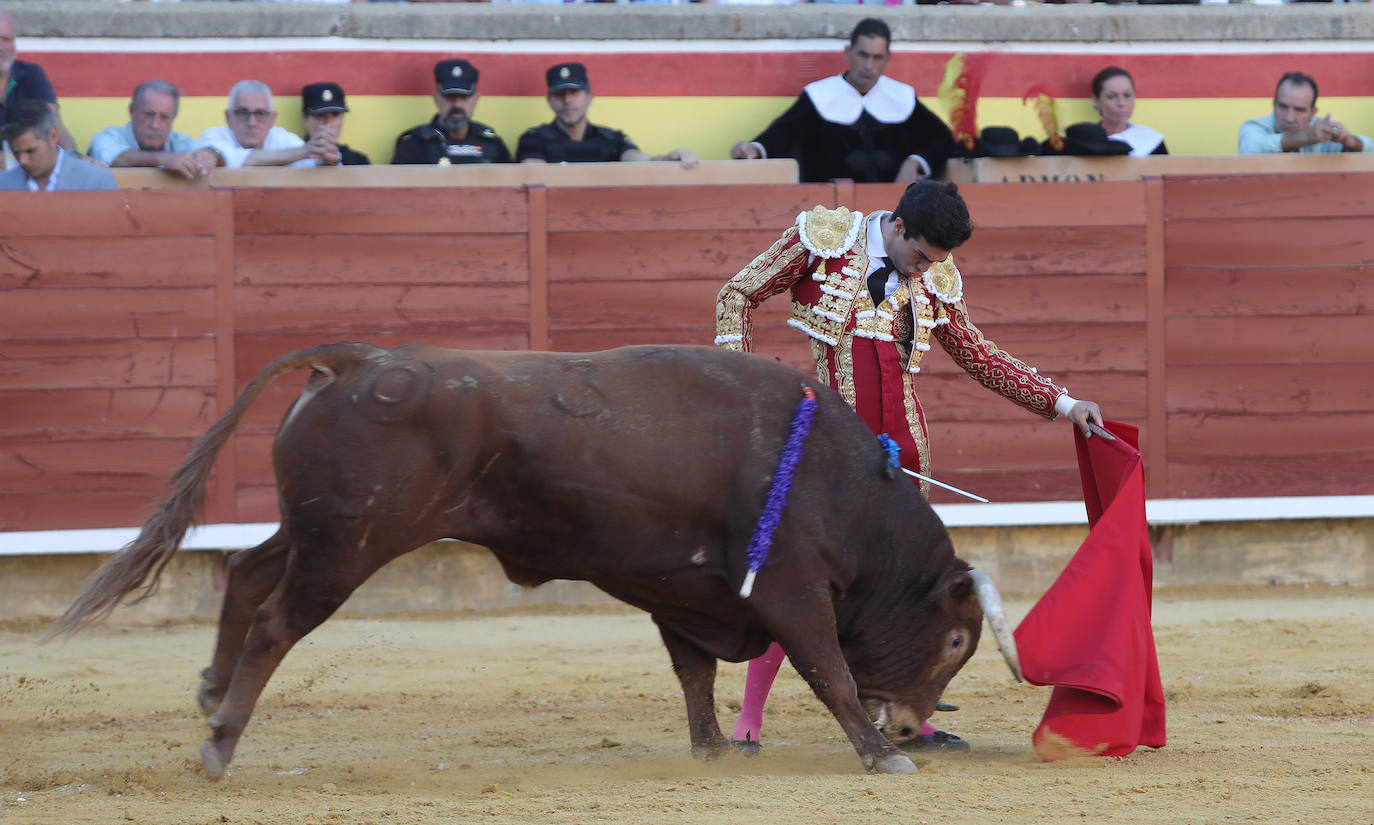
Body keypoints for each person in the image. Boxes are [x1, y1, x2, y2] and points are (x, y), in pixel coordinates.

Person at [715, 180, 1104, 753]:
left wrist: (1063, 403)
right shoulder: (823, 241)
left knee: (904, 592)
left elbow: (978, 355)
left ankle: (909, 720)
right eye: (921, 256)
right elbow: (736, 295)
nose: (925, 270)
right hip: (828, 450)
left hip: (905, 456)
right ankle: (749, 719)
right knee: (800, 580)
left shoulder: (936, 279)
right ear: (897, 227)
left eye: (937, 261)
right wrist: (747, 393)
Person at [729, 18, 952, 183]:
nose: (868, 66)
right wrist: (754, 150)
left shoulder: (902, 97)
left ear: (887, 60)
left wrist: (916, 161)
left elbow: (943, 139)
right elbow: (783, 134)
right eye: (863, 55)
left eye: (877, 58)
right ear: (848, 52)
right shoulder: (820, 95)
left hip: (893, 212)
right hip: (831, 215)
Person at [516, 62, 698, 167]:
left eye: (574, 93)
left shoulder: (611, 139)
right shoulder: (534, 139)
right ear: (549, 100)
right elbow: (534, 173)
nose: (567, 101)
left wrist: (670, 158)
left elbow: (642, 161)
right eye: (560, 94)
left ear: (590, 97)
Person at [86, 80, 222, 179]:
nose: (155, 125)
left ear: (173, 118)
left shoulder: (180, 142)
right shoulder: (108, 137)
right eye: (148, 114)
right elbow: (113, 157)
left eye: (164, 117)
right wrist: (163, 159)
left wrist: (211, 155)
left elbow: (215, 153)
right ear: (132, 111)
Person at [392, 59, 510, 165]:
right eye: (450, 97)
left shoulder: (492, 143)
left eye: (464, 97)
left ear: (476, 99)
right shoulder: (415, 144)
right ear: (436, 99)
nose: (457, 104)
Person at [199, 80, 339, 168]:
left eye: (260, 114)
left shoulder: (283, 139)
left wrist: (326, 159)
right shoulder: (213, 136)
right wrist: (304, 152)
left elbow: (310, 166)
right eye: (243, 113)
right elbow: (236, 159)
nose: (252, 122)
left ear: (272, 119)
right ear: (228, 117)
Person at [1239, 71, 1372, 155]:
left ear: (1312, 113)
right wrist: (1306, 137)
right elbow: (1250, 149)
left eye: (1299, 110)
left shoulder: (1322, 131)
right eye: (1283, 107)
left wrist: (1350, 142)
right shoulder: (1255, 127)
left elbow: (1370, 150)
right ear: (1274, 105)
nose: (1289, 118)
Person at [0, 10, 77, 152]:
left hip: (25, 167)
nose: (1, 48)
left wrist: (73, 158)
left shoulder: (31, 74)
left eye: (7, 39)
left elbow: (52, 122)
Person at [0, 100, 116, 190]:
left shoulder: (96, 182)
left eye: (31, 151)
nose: (22, 160)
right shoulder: (3, 184)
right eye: (15, 152)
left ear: (53, 136)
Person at [1091, 66, 1167, 157]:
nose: (1121, 103)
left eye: (1127, 95)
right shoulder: (1082, 142)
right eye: (1111, 96)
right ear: (1096, 100)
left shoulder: (1151, 141)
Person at [300, 82, 369, 166]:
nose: (328, 123)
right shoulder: (289, 158)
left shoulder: (358, 161)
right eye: (320, 115)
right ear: (305, 118)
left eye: (335, 114)